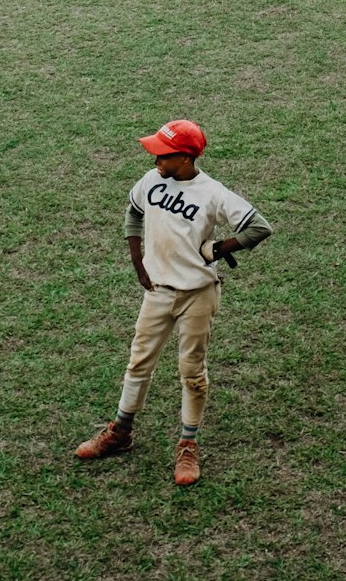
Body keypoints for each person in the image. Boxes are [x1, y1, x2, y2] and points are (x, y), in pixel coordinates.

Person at [75, 118, 273, 486]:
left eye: (162, 155)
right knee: (138, 363)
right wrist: (137, 260)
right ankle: (120, 431)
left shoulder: (213, 193)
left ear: (185, 158)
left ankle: (188, 444)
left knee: (192, 372)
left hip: (197, 295)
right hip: (157, 292)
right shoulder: (151, 181)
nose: (155, 161)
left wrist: (219, 248)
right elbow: (133, 211)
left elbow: (259, 227)